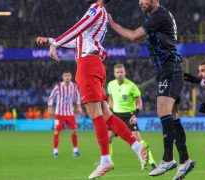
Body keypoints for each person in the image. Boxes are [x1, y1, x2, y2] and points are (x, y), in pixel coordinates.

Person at [36, 0, 148, 179]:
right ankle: (137, 146)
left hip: (87, 65)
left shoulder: (95, 9)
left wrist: (55, 44)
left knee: (96, 114)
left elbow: (77, 27)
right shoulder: (100, 14)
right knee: (107, 115)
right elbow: (78, 40)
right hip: (94, 65)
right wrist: (51, 40)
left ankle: (105, 160)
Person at [106, 0, 194, 179]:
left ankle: (168, 159)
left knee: (163, 111)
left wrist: (112, 23)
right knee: (172, 115)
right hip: (166, 69)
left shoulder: (159, 15)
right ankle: (185, 160)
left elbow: (133, 36)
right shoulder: (155, 15)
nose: (140, 2)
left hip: (169, 67)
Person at [107, 64, 157, 169]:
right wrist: (110, 112)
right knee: (108, 138)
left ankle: (151, 161)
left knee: (138, 140)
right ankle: (107, 162)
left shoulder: (132, 86)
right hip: (116, 115)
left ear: (125, 72)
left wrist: (135, 115)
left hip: (129, 116)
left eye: (121, 72)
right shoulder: (111, 85)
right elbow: (111, 100)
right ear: (114, 73)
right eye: (117, 72)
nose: (120, 74)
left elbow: (139, 103)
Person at [47, 71, 82, 158]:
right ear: (63, 77)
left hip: (70, 113)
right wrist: (50, 108)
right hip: (59, 113)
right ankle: (55, 151)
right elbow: (51, 97)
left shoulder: (74, 86)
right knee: (56, 132)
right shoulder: (58, 86)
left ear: (71, 77)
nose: (67, 77)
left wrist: (78, 107)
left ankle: (75, 151)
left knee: (74, 131)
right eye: (65, 76)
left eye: (68, 75)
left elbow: (77, 96)